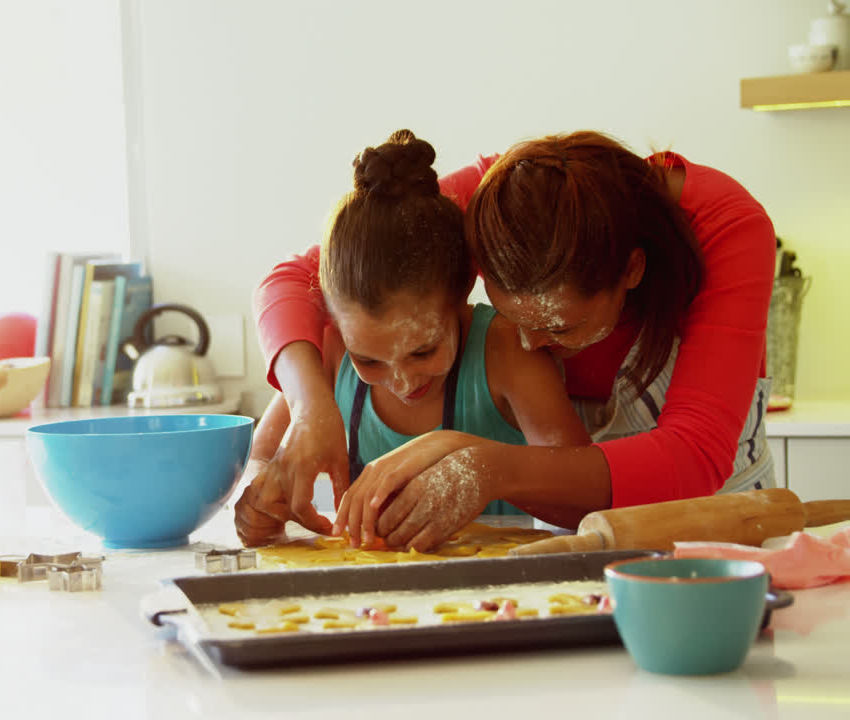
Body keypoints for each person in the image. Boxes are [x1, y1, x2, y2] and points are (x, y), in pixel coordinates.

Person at [248, 130, 776, 552]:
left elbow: (691, 458)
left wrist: (484, 462)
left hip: (713, 521)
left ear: (632, 270)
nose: (529, 345)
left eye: (559, 328)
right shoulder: (493, 201)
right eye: (507, 316)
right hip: (583, 534)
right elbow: (294, 278)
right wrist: (311, 406)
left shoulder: (726, 228)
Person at [234, 130, 592, 548]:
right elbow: (261, 462)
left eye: (423, 350)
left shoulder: (508, 351)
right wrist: (259, 508)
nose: (403, 381)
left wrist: (479, 469)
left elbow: (583, 499)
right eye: (367, 361)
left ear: (462, 297)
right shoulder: (328, 356)